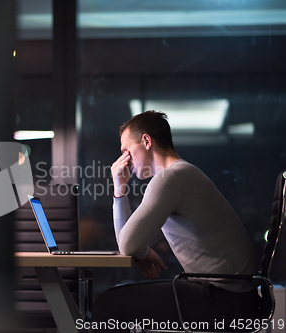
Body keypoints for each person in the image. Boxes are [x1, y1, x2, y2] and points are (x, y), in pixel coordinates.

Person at [92, 111, 260, 332]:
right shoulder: (182, 175)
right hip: (237, 297)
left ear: (146, 141)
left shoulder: (169, 178)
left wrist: (119, 190)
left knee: (108, 304)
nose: (125, 160)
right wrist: (121, 192)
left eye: (126, 151)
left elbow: (127, 245)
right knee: (116, 300)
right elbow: (130, 241)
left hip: (223, 300)